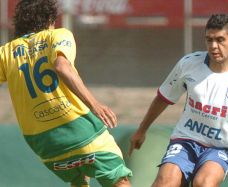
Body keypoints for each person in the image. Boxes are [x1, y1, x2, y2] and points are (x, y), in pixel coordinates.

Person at [0, 0, 132, 187]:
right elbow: (62, 67)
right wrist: (95, 105)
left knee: (79, 180)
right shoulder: (58, 35)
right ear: (49, 19)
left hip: (43, 142)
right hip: (78, 128)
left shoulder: (6, 52)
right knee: (118, 179)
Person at [129, 13, 228, 187]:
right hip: (185, 140)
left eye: (220, 40)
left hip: (220, 148)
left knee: (204, 183)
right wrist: (141, 130)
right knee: (165, 183)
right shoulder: (189, 64)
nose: (214, 46)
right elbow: (163, 98)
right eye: (209, 40)